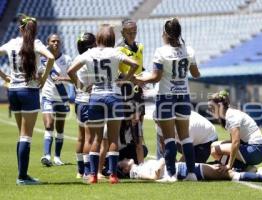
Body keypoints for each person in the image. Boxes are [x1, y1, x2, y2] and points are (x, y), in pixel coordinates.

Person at [67, 24, 138, 184]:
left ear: (98, 38)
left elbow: (71, 71)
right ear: (112, 38)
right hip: (113, 95)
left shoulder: (90, 53)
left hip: (95, 96)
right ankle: (113, 175)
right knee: (113, 139)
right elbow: (134, 64)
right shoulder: (115, 52)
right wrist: (125, 80)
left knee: (95, 139)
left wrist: (81, 87)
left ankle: (92, 175)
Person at [135, 18, 200, 182]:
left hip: (166, 97)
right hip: (183, 96)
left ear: (165, 32)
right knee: (185, 137)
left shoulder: (161, 52)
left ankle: (171, 175)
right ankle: (191, 173)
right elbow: (196, 74)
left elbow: (156, 78)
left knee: (169, 138)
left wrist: (140, 78)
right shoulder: (189, 50)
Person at [0, 14, 54, 185]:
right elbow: (51, 58)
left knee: (21, 135)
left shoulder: (12, 43)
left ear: (21, 28)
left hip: (13, 91)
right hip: (28, 91)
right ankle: (22, 177)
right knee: (26, 136)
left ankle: (22, 174)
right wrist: (44, 78)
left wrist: (4, 76)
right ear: (34, 29)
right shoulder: (35, 44)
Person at [208, 90, 262, 172]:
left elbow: (235, 143)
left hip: (256, 151)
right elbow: (233, 141)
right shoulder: (229, 114)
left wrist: (229, 165)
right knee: (214, 145)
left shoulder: (231, 116)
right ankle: (245, 168)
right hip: (255, 149)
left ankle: (234, 167)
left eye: (212, 108)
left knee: (214, 150)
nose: (210, 111)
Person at [40, 34, 72, 167]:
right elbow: (38, 75)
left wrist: (62, 79)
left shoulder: (67, 59)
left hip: (62, 98)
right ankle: (46, 155)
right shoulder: (42, 60)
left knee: (60, 129)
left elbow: (73, 78)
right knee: (49, 125)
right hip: (48, 96)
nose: (56, 43)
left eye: (58, 41)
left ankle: (57, 157)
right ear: (48, 43)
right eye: (53, 41)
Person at [117, 158, 262, 183]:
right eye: (123, 160)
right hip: (183, 171)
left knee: (220, 169)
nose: (125, 158)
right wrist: (162, 161)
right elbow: (153, 176)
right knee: (227, 173)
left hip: (182, 169)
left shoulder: (138, 167)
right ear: (125, 169)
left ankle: (260, 173)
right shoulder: (136, 172)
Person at [117, 18, 146, 164]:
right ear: (123, 32)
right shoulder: (119, 50)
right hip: (126, 94)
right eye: (129, 32)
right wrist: (133, 79)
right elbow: (119, 74)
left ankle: (136, 162)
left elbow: (141, 68)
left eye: (134, 32)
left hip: (138, 93)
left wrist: (145, 80)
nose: (132, 35)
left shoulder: (140, 47)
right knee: (126, 126)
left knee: (138, 126)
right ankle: (121, 159)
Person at [73, 33, 96, 178]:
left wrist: (79, 85)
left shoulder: (78, 58)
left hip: (78, 101)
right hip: (88, 100)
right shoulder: (90, 59)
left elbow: (71, 74)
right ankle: (87, 170)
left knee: (81, 137)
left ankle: (80, 170)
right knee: (89, 138)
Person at [98, 115, 149, 179]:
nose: (137, 118)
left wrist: (141, 169)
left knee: (144, 150)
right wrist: (98, 172)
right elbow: (103, 148)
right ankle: (115, 167)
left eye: (139, 115)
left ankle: (128, 166)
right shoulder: (112, 124)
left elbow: (139, 147)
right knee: (116, 173)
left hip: (122, 151)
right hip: (109, 154)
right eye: (134, 115)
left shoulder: (137, 125)